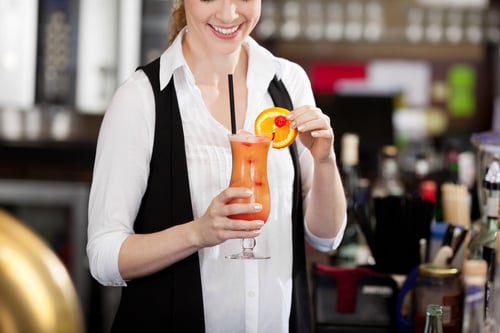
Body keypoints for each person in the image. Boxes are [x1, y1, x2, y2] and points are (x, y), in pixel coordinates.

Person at [87, 0, 347, 332]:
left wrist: (325, 161)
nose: (228, 14)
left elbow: (326, 237)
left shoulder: (288, 83)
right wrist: (197, 233)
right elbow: (104, 256)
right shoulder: (141, 98)